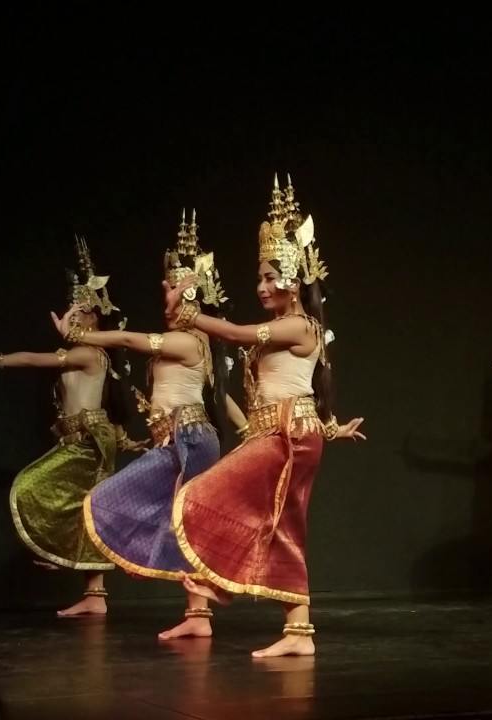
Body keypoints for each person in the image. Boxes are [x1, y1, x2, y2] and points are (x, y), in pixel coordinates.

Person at [166, 175, 365, 657]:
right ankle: (296, 630)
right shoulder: (284, 326)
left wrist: (190, 316)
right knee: (281, 527)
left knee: (207, 494)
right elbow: (297, 385)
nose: (261, 286)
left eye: (271, 277)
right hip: (283, 432)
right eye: (259, 277)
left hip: (288, 435)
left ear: (294, 280)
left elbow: (237, 334)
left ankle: (219, 584)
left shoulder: (299, 325)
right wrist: (331, 426)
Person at [52, 210, 233, 637]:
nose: (165, 296)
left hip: (190, 438)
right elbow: (219, 398)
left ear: (191, 298)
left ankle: (199, 615)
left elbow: (127, 339)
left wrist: (79, 336)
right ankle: (196, 616)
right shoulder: (190, 342)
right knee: (162, 517)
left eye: (173, 290)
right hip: (179, 440)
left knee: (183, 522)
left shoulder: (188, 340)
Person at [0, 237, 141, 617]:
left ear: (92, 319)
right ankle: (95, 595)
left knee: (32, 486)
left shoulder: (88, 353)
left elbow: (33, 360)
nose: (71, 317)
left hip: (88, 441)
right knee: (85, 510)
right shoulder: (84, 354)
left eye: (79, 312)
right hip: (85, 439)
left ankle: (62, 555)